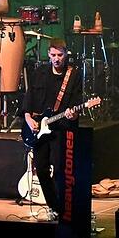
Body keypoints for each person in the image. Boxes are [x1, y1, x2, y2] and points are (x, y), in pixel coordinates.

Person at [21, 39, 83, 220]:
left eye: (60, 55)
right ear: (48, 54)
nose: (56, 59)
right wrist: (27, 117)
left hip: (62, 129)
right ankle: (54, 207)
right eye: (53, 55)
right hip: (40, 129)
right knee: (40, 169)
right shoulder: (40, 73)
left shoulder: (73, 75)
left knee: (60, 170)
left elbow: (77, 103)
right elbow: (29, 96)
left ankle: (65, 210)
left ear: (66, 54)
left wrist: (74, 114)